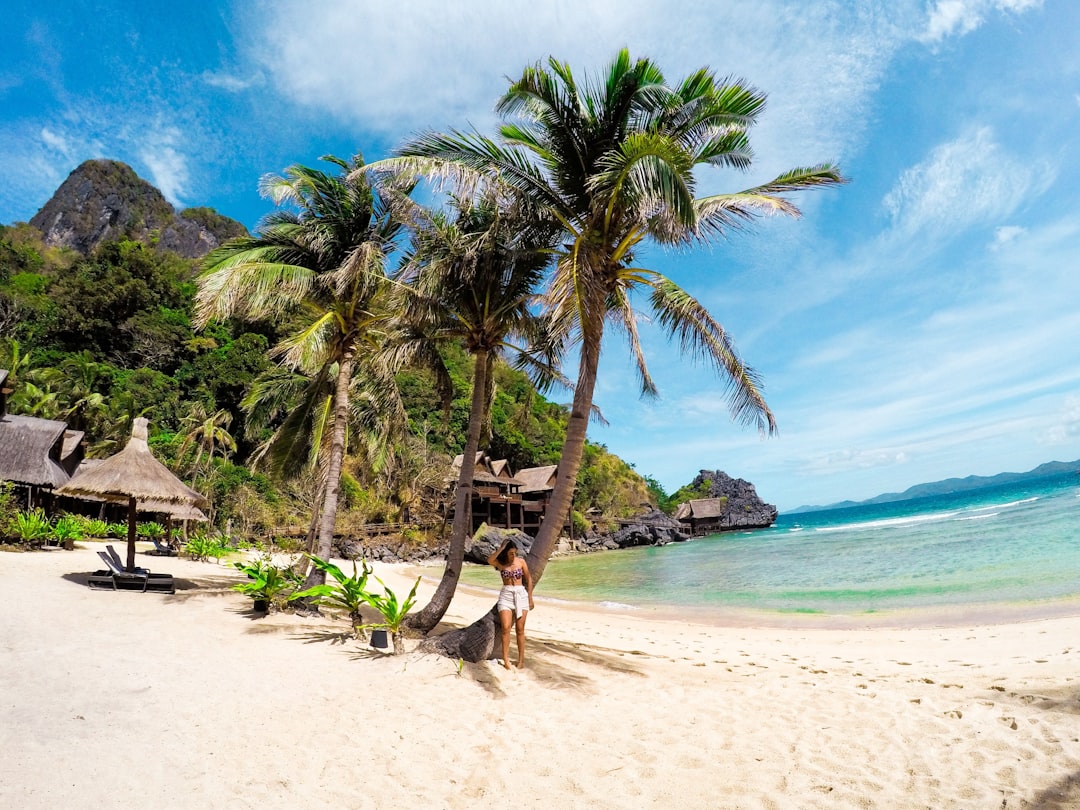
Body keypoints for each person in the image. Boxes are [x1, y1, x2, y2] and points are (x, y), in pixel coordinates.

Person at [487, 538, 534, 669]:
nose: (513, 555)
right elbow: (490, 560)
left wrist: (530, 598)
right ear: (505, 553)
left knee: (520, 629)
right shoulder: (501, 564)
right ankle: (506, 660)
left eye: (515, 553)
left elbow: (529, 579)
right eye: (511, 553)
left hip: (521, 595)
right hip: (506, 596)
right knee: (506, 628)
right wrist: (501, 548)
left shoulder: (521, 562)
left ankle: (521, 660)